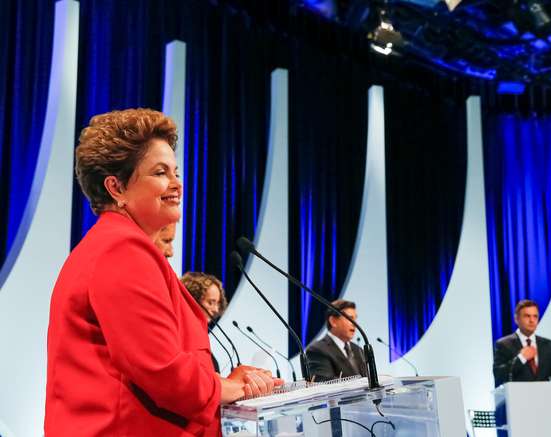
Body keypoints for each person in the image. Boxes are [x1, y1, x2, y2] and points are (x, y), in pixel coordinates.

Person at [45, 108, 281, 437]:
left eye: (175, 171)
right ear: (116, 187)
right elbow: (163, 370)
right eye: (160, 173)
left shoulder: (113, 245)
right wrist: (230, 387)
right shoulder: (121, 250)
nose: (176, 184)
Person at [492, 299, 551, 386]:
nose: (532, 320)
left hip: (544, 397)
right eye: (527, 316)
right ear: (516, 319)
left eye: (535, 316)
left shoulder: (548, 345)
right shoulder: (503, 344)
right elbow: (499, 375)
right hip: (517, 397)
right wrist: (521, 358)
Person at [306, 299, 367, 381]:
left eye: (355, 319)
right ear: (333, 321)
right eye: (350, 318)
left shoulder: (358, 350)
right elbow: (325, 383)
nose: (355, 324)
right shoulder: (317, 350)